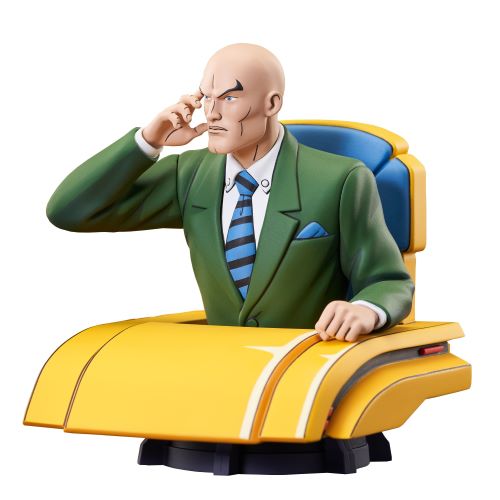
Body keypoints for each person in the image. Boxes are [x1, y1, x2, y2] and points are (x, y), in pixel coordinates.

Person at [46, 43, 414, 342]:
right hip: (221, 375)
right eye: (206, 97)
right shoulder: (190, 176)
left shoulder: (340, 179)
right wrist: (148, 140)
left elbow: (387, 281)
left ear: (272, 104)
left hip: (307, 371)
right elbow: (70, 211)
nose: (212, 112)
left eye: (230, 98)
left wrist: (365, 310)